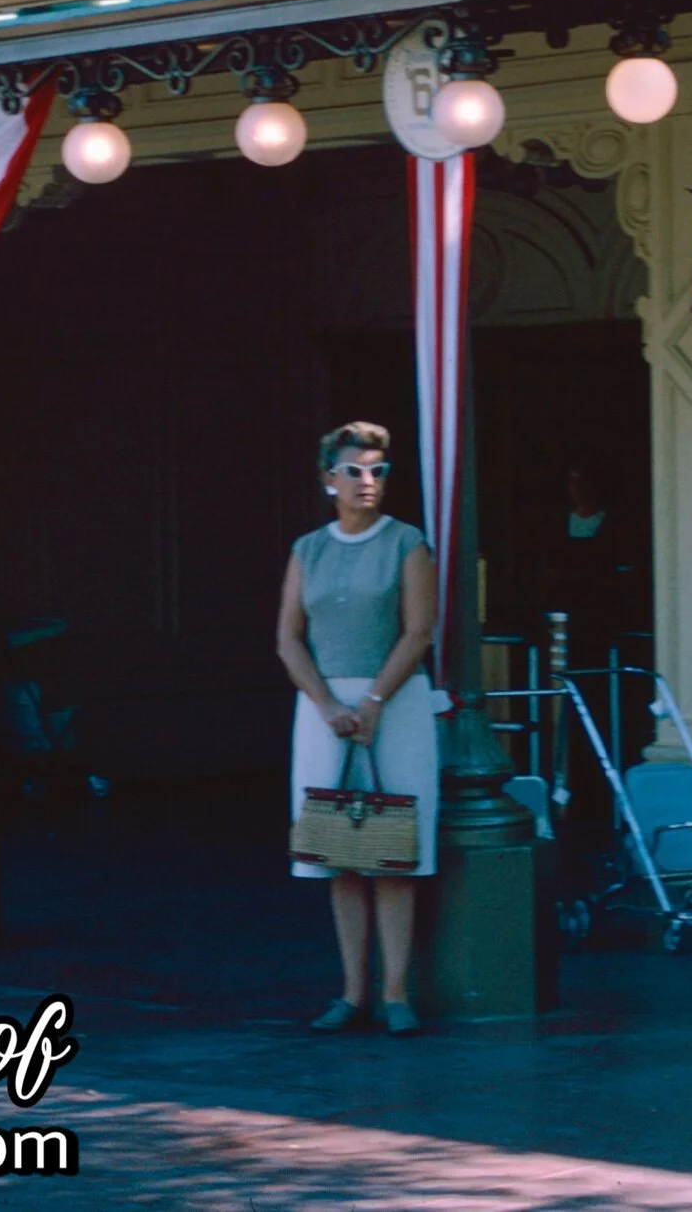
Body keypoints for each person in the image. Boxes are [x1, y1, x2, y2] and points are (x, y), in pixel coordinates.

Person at [277, 421, 438, 1037]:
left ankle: (396, 991)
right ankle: (352, 993)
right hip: (324, 710)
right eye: (355, 471)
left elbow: (417, 630)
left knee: (391, 846)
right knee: (339, 849)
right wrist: (326, 705)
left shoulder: (406, 543)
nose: (368, 481)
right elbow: (288, 638)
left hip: (392, 703)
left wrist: (372, 702)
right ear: (329, 479)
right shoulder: (308, 549)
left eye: (378, 471)